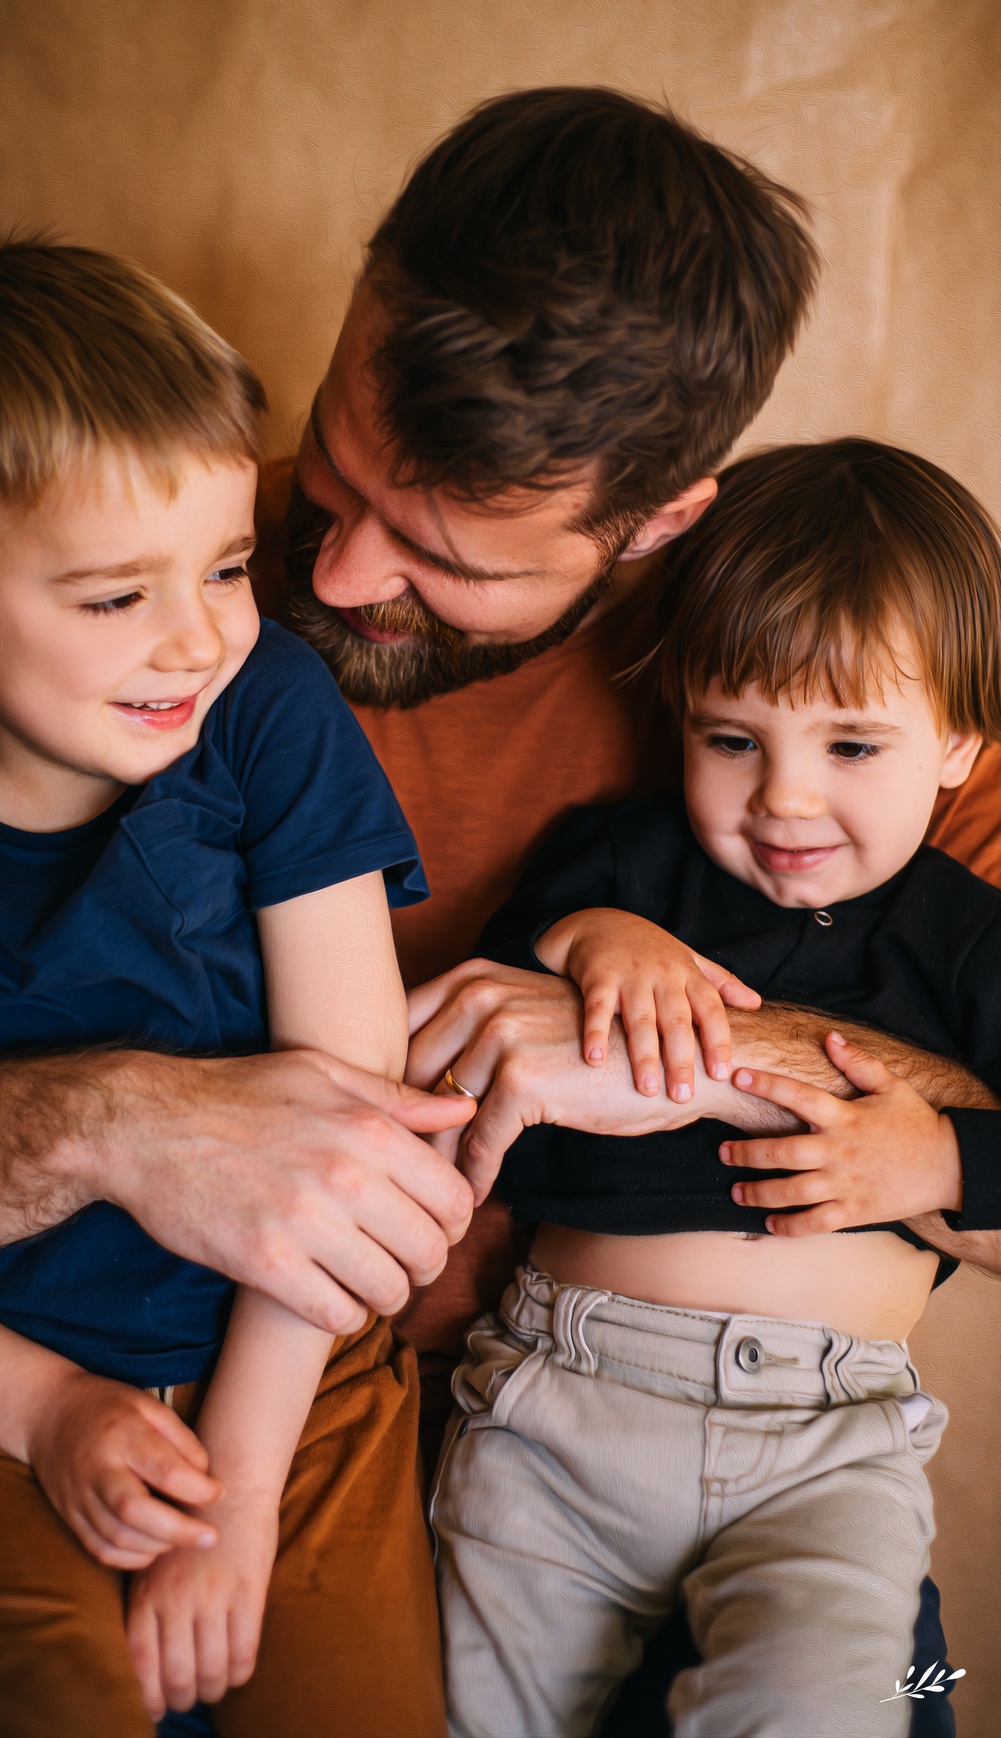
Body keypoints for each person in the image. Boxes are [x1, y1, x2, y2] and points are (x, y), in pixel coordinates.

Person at [0, 89, 997, 1733]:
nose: (345, 572)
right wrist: (109, 1122)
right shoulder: (110, 591)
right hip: (237, 1418)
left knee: (899, 1693)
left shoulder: (808, 687)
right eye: (338, 465)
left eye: (445, 549)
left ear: (658, 523)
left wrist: (673, 1040)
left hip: (789, 1465)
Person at [0, 237, 472, 1737]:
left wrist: (236, 1493)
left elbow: (350, 1127)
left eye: (229, 565)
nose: (199, 636)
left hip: (297, 1387)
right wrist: (41, 1410)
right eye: (117, 596)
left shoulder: (269, 713)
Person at [427, 438, 996, 1736]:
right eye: (732, 736)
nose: (785, 796)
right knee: (476, 1711)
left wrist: (940, 1164)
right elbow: (497, 999)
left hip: (830, 1437)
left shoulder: (971, 942)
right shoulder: (628, 865)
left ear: (961, 743)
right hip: (562, 1408)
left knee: (827, 1703)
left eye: (852, 744)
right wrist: (591, 942)